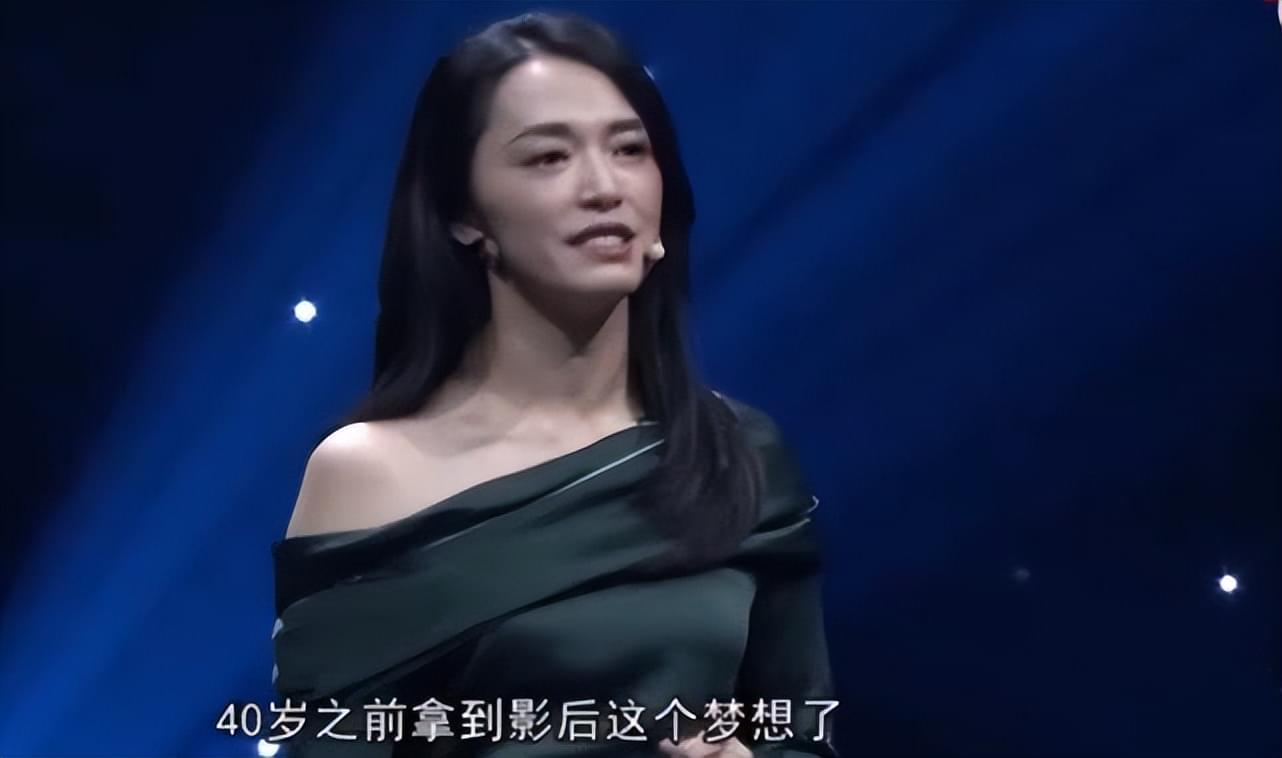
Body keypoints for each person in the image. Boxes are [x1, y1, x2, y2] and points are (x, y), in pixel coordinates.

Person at [270, 11, 838, 757]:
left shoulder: (740, 451)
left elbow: (802, 734)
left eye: (630, 149)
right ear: (464, 213)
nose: (604, 187)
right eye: (548, 158)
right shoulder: (368, 473)